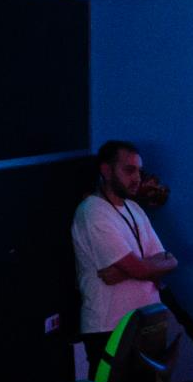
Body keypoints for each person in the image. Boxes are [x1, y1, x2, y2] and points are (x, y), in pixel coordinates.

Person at [73, 141, 177, 357]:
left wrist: (126, 272)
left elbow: (168, 260)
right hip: (111, 328)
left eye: (139, 171)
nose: (137, 178)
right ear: (106, 170)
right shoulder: (93, 211)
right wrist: (143, 269)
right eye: (129, 170)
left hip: (148, 320)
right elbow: (147, 268)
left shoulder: (133, 207)